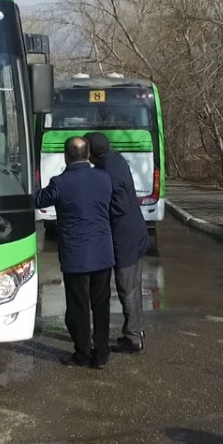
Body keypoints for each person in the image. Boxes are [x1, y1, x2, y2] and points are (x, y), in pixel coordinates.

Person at [33, 137, 114, 368]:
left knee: (78, 306)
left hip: (76, 256)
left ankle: (82, 353)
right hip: (102, 253)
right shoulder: (103, 177)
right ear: (88, 155)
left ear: (66, 157)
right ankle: (102, 354)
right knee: (101, 305)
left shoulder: (60, 182)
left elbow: (39, 200)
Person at [87, 133, 152, 353]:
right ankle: (134, 331)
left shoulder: (109, 172)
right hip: (132, 233)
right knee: (131, 287)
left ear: (92, 154)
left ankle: (133, 339)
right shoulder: (114, 158)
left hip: (126, 238)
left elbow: (119, 207)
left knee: (128, 288)